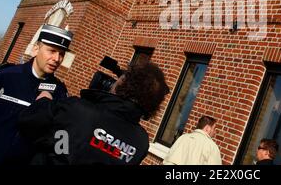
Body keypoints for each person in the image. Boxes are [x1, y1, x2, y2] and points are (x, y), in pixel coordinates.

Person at [18, 60, 169, 165]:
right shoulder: (141, 142)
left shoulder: (77, 110)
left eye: (119, 79)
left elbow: (27, 121)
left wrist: (43, 102)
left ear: (124, 85)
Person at [0, 24, 72, 164]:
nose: (57, 58)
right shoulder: (3, 76)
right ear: (36, 49)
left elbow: (61, 139)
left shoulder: (60, 93)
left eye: (62, 53)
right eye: (52, 51)